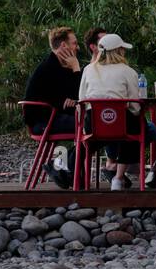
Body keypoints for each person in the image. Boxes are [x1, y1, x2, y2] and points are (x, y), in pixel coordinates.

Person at [78, 33, 143, 190]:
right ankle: (118, 178)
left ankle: (77, 174)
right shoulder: (128, 72)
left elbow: (81, 100)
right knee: (136, 126)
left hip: (93, 125)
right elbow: (135, 107)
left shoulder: (88, 70)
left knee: (96, 136)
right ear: (119, 51)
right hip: (121, 126)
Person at [23, 26, 81, 188]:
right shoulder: (50, 67)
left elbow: (75, 96)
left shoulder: (61, 66)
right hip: (43, 122)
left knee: (90, 126)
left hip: (54, 117)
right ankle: (60, 167)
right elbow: (77, 93)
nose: (77, 47)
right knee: (89, 128)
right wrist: (76, 68)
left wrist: (72, 98)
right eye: (74, 43)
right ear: (64, 46)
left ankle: (64, 169)